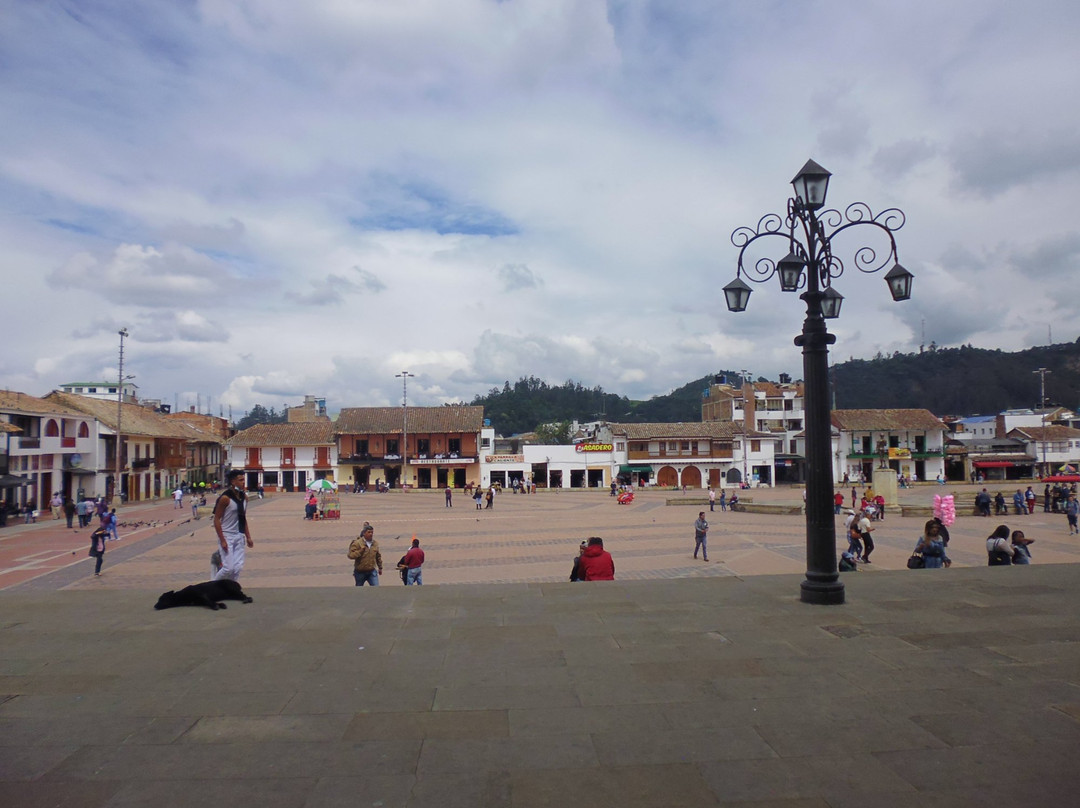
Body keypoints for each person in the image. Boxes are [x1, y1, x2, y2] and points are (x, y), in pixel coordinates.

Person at [212, 469, 254, 581]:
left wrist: (248, 537)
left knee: (237, 567)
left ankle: (233, 589)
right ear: (233, 482)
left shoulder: (244, 498)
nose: (243, 482)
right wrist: (222, 540)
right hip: (227, 535)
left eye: (244, 480)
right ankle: (212, 587)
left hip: (239, 535)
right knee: (228, 568)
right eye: (240, 480)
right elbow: (216, 519)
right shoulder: (225, 498)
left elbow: (243, 518)